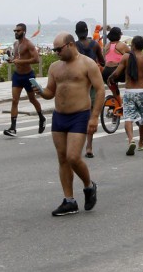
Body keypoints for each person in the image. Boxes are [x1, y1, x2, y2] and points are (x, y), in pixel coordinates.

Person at [35, 32, 105, 216]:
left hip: (79, 116)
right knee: (62, 158)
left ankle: (89, 186)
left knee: (73, 157)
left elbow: (100, 90)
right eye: (54, 49)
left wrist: (95, 117)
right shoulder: (54, 67)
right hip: (59, 116)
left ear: (70, 45)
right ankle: (69, 200)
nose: (56, 52)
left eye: (59, 49)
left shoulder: (87, 64)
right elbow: (51, 92)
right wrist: (41, 92)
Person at [108, 36, 143, 155]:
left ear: (132, 45)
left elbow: (117, 73)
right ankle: (141, 143)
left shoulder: (126, 57)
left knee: (128, 117)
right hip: (142, 92)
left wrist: (110, 78)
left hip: (129, 92)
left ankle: (131, 140)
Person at [3, 23, 45, 135]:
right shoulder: (15, 44)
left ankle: (41, 117)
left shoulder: (29, 44)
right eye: (15, 31)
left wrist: (21, 62)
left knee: (32, 99)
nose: (16, 32)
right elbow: (17, 58)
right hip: (17, 76)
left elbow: (36, 59)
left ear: (24, 32)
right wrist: (11, 60)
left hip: (28, 76)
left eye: (18, 31)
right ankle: (13, 127)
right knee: (14, 100)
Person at [74, 21, 104, 158]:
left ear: (76, 33)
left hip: (78, 84)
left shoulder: (74, 46)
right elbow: (103, 62)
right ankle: (89, 146)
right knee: (91, 114)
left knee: (76, 113)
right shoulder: (95, 45)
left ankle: (75, 144)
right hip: (91, 83)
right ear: (87, 32)